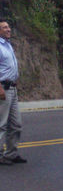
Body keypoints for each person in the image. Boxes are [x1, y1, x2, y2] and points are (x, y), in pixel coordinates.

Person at [0, 19, 25, 165]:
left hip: (12, 88)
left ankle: (11, 154)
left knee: (16, 124)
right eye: (4, 27)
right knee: (1, 124)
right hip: (3, 88)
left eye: (8, 26)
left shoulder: (8, 45)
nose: (8, 29)